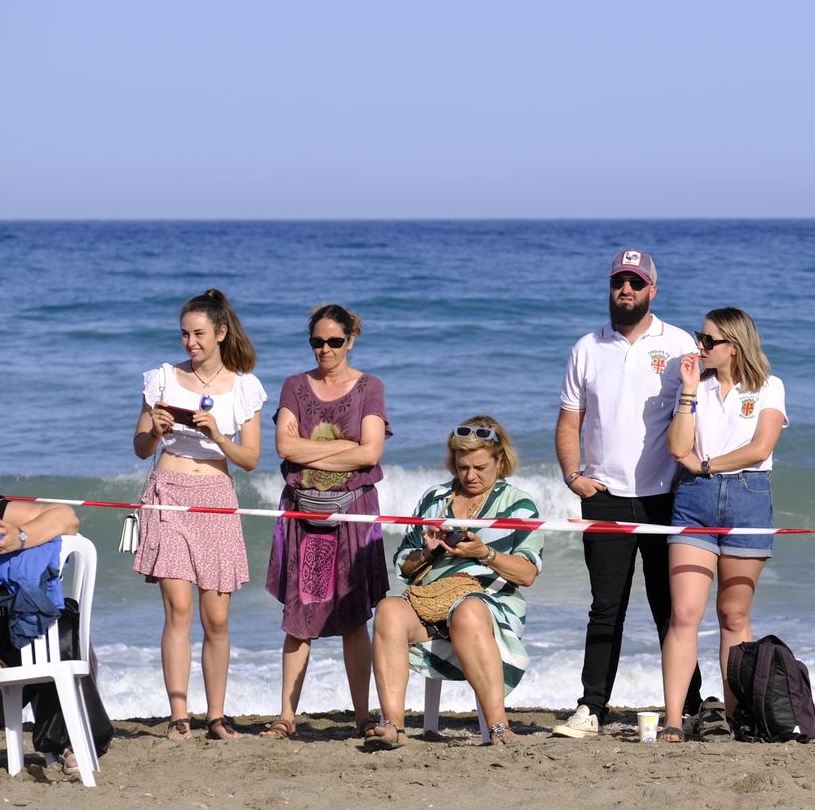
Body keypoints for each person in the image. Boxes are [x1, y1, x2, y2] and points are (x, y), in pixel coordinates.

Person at [553, 249, 702, 738]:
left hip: (667, 496)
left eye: (636, 283)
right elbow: (570, 420)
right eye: (619, 281)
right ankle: (591, 707)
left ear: (652, 290)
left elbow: (702, 411)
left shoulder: (680, 343)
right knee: (605, 607)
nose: (626, 290)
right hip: (606, 494)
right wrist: (574, 476)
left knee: (671, 607)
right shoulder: (586, 348)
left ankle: (692, 705)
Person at [0, 451, 113, 776]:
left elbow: (66, 517)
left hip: (14, 629)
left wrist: (19, 537)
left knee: (62, 628)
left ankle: (69, 740)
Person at [131, 288, 266, 741]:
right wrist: (156, 428)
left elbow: (250, 459)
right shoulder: (162, 380)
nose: (190, 342)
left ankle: (217, 716)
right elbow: (140, 448)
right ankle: (178, 715)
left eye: (199, 334)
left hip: (216, 495)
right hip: (167, 490)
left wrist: (217, 436)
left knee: (218, 618)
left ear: (221, 333)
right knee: (179, 609)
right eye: (185, 334)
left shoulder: (245, 385)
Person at [366, 417, 543, 748]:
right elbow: (404, 566)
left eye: (479, 467)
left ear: (500, 461)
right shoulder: (435, 498)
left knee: (467, 611)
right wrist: (427, 552)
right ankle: (393, 726)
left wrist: (485, 553)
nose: (470, 475)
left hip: (489, 603)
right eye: (463, 467)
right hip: (431, 599)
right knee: (388, 609)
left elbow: (528, 573)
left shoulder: (518, 504)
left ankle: (499, 727)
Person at [260, 304, 390, 741]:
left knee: (355, 616)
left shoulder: (370, 387)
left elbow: (371, 453)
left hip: (353, 510)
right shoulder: (295, 386)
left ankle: (363, 717)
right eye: (317, 341)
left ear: (351, 339)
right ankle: (286, 717)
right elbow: (284, 447)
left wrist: (309, 449)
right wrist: (345, 447)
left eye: (335, 341)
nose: (326, 349)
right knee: (299, 617)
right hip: (305, 512)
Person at [659, 308, 788, 742]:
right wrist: (689, 391)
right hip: (693, 499)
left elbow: (760, 447)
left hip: (748, 498)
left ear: (734, 345)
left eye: (708, 339)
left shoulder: (769, 387)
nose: (700, 345)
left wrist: (709, 463)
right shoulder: (697, 387)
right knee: (684, 613)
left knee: (734, 615)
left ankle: (738, 716)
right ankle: (674, 719)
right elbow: (679, 448)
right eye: (700, 337)